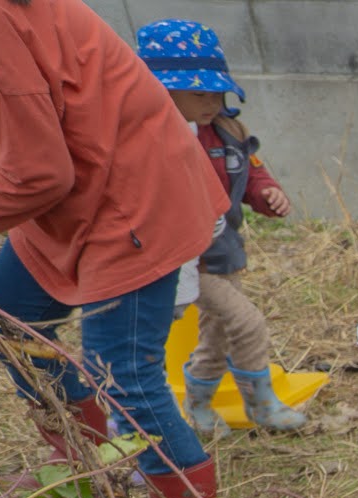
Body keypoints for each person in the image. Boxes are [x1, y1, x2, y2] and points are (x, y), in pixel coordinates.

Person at [0, 0, 228, 498]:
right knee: (6, 314)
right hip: (75, 187)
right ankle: (86, 465)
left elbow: (38, 175)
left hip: (127, 196)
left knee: (125, 375)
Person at [135, 18, 307, 434]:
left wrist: (268, 194)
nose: (210, 102)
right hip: (188, 259)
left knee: (217, 335)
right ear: (160, 91)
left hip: (224, 251)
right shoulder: (152, 138)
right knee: (247, 323)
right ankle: (261, 404)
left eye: (217, 92)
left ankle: (198, 406)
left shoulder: (227, 133)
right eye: (198, 94)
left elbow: (252, 174)